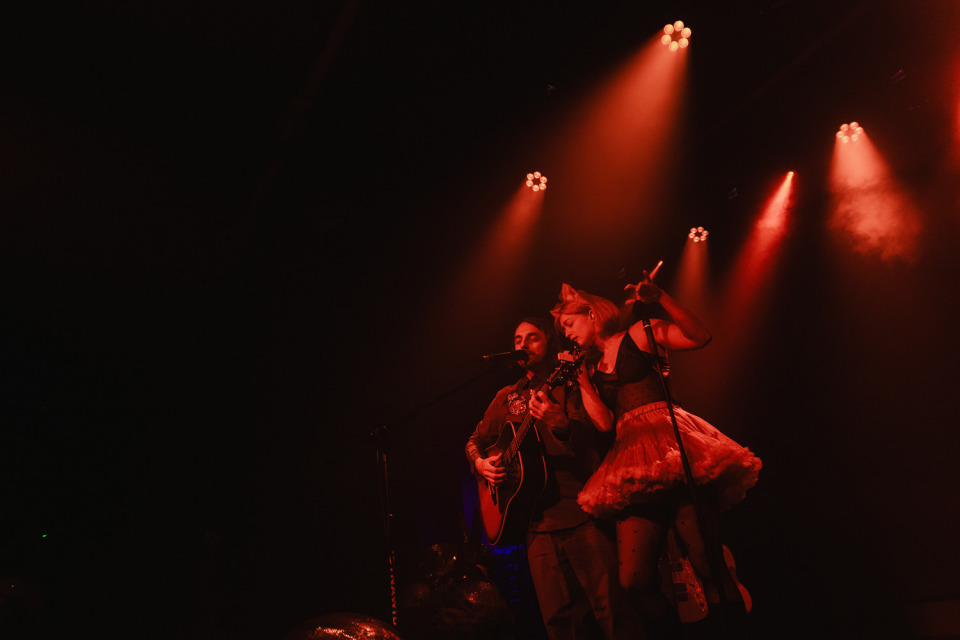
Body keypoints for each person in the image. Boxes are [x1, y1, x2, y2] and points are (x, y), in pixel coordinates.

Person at [550, 276, 761, 637]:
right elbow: (603, 423)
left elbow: (700, 337)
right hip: (630, 456)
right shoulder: (592, 367)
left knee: (707, 563)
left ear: (591, 314)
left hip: (670, 443)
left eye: (569, 323)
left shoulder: (639, 333)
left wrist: (661, 297)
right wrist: (582, 380)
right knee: (633, 581)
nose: (566, 333)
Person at [465, 317, 643, 640]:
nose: (523, 345)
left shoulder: (567, 383)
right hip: (535, 526)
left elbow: (597, 436)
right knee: (560, 622)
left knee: (612, 611)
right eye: (517, 340)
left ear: (549, 341)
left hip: (579, 514)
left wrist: (562, 424)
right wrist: (481, 465)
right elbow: (474, 441)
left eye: (532, 338)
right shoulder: (506, 396)